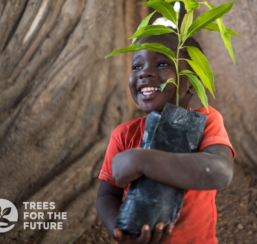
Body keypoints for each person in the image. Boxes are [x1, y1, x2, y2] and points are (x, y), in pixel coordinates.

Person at [97, 32, 235, 244]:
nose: (145, 73)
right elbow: (107, 196)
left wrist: (142, 161)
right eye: (137, 66)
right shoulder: (124, 134)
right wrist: (121, 233)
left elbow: (220, 171)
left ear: (191, 82)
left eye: (162, 64)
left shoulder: (206, 120)